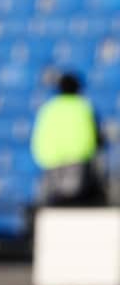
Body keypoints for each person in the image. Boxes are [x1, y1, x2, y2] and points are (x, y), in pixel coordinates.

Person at [32, 72, 109, 206]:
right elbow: (99, 139)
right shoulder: (84, 107)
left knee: (55, 200)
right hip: (78, 164)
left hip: (51, 164)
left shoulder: (48, 108)